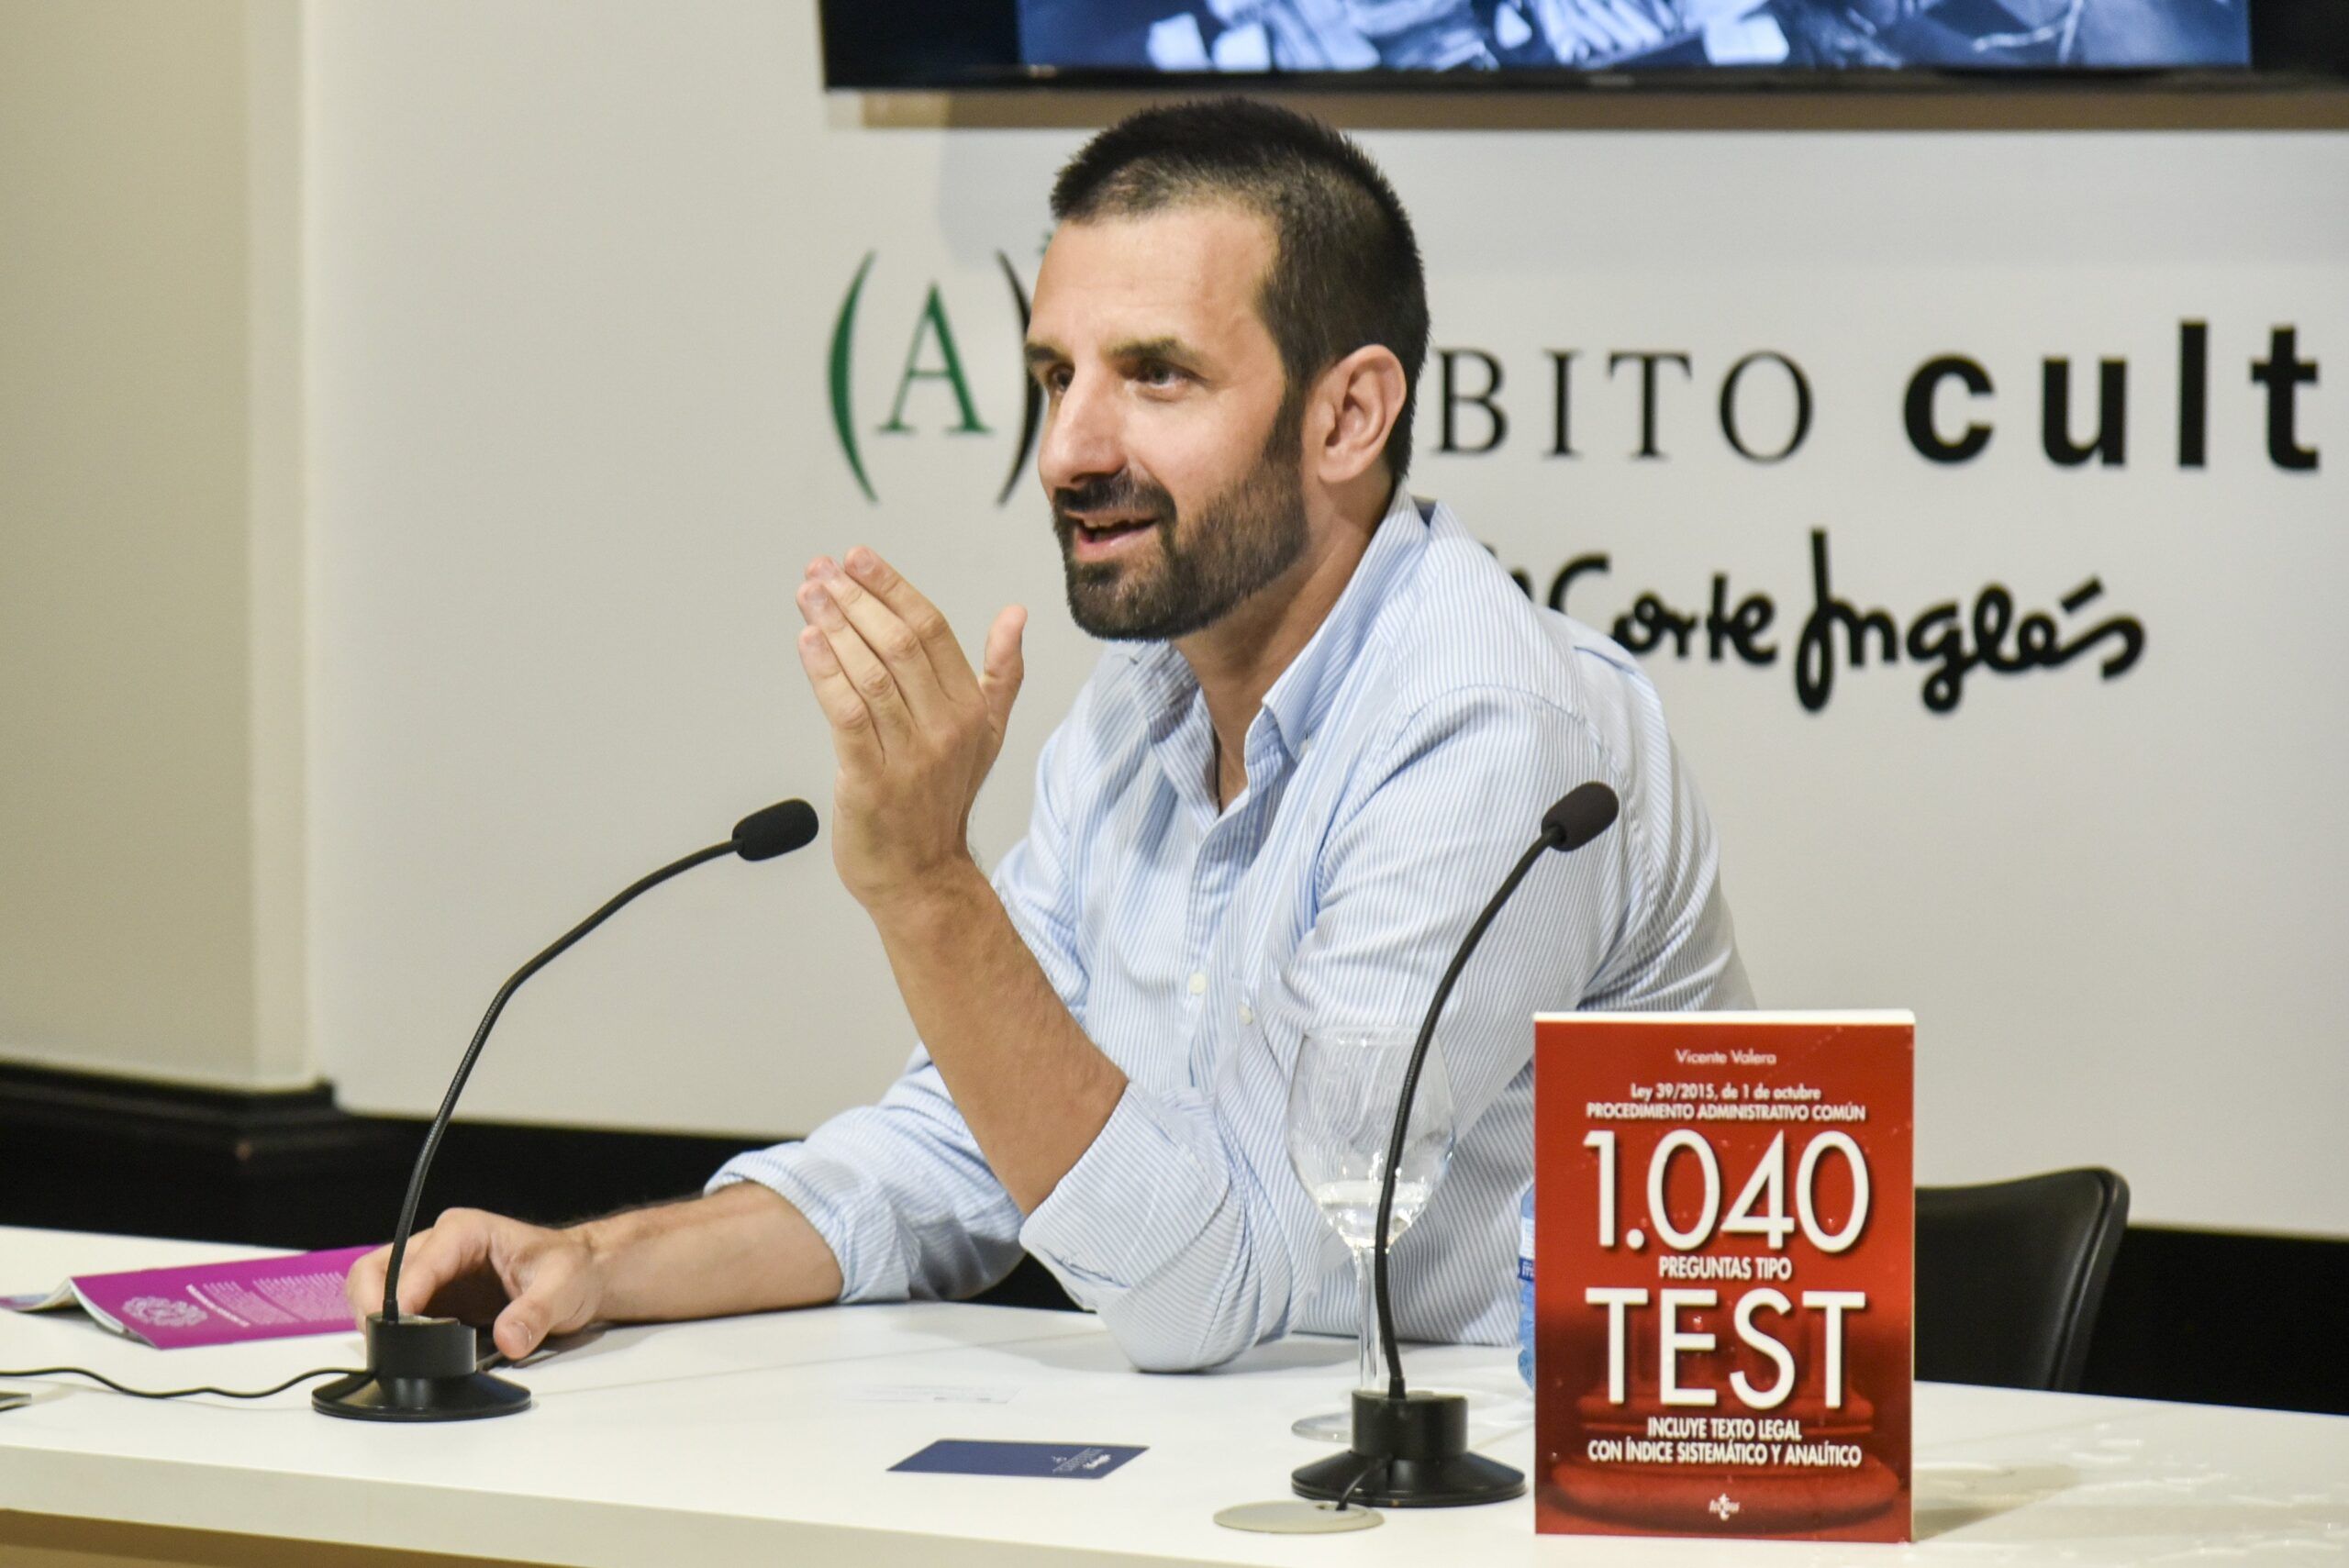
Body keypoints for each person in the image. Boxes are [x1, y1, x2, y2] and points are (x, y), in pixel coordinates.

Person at [345, 99, 1750, 1374]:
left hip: (1518, 1491)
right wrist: (597, 1264)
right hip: (1242, 1473)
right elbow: (962, 1147)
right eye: (1052, 375)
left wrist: (928, 887)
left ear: (1348, 415)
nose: (1069, 448)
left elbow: (1223, 1275)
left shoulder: (1491, 728)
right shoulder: (1143, 705)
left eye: (1155, 375)